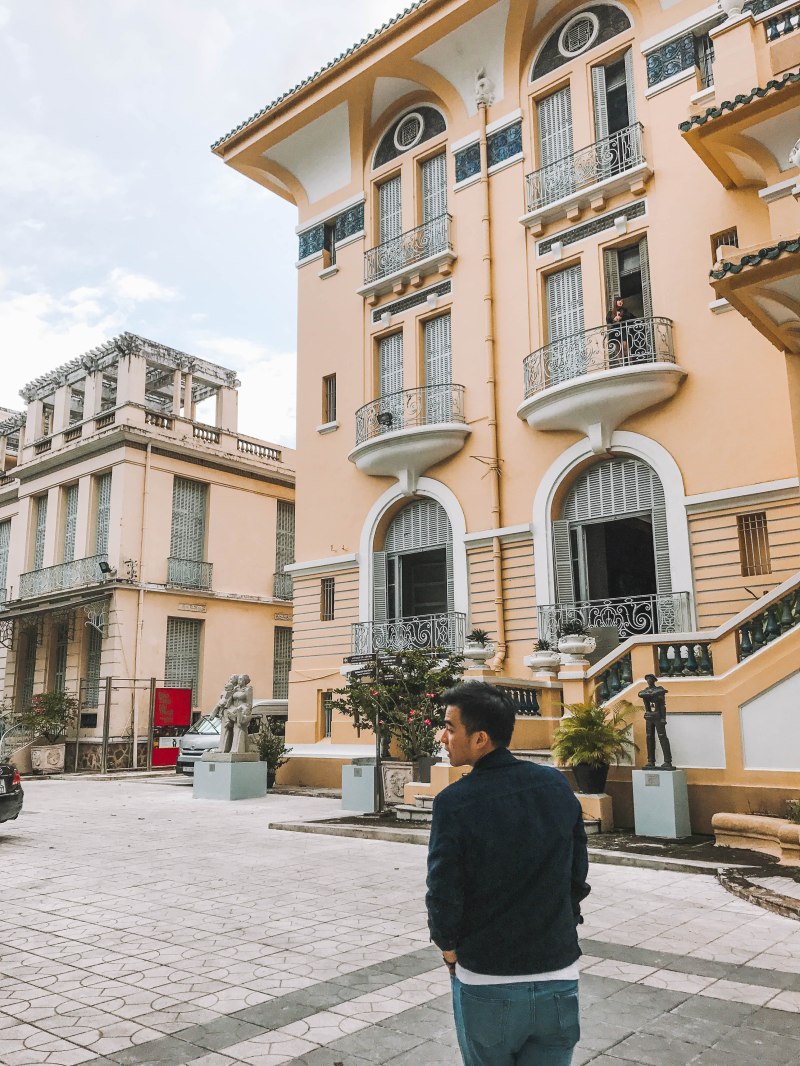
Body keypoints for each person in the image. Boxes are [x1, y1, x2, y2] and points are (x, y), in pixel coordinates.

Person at [426, 682, 590, 1066]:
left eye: (450, 726)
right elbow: (576, 873)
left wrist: (447, 946)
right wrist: (563, 926)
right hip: (558, 974)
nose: (442, 736)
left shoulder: (454, 803)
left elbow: (444, 889)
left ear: (480, 738)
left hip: (489, 980)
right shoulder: (554, 784)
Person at [605, 295, 634, 366]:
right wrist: (613, 319)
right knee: (618, 348)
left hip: (623, 330)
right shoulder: (610, 313)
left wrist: (621, 317)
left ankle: (630, 362)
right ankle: (621, 364)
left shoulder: (625, 311)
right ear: (615, 302)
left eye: (621, 301)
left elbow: (630, 317)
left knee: (625, 345)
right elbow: (608, 322)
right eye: (619, 300)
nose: (621, 302)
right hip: (615, 331)